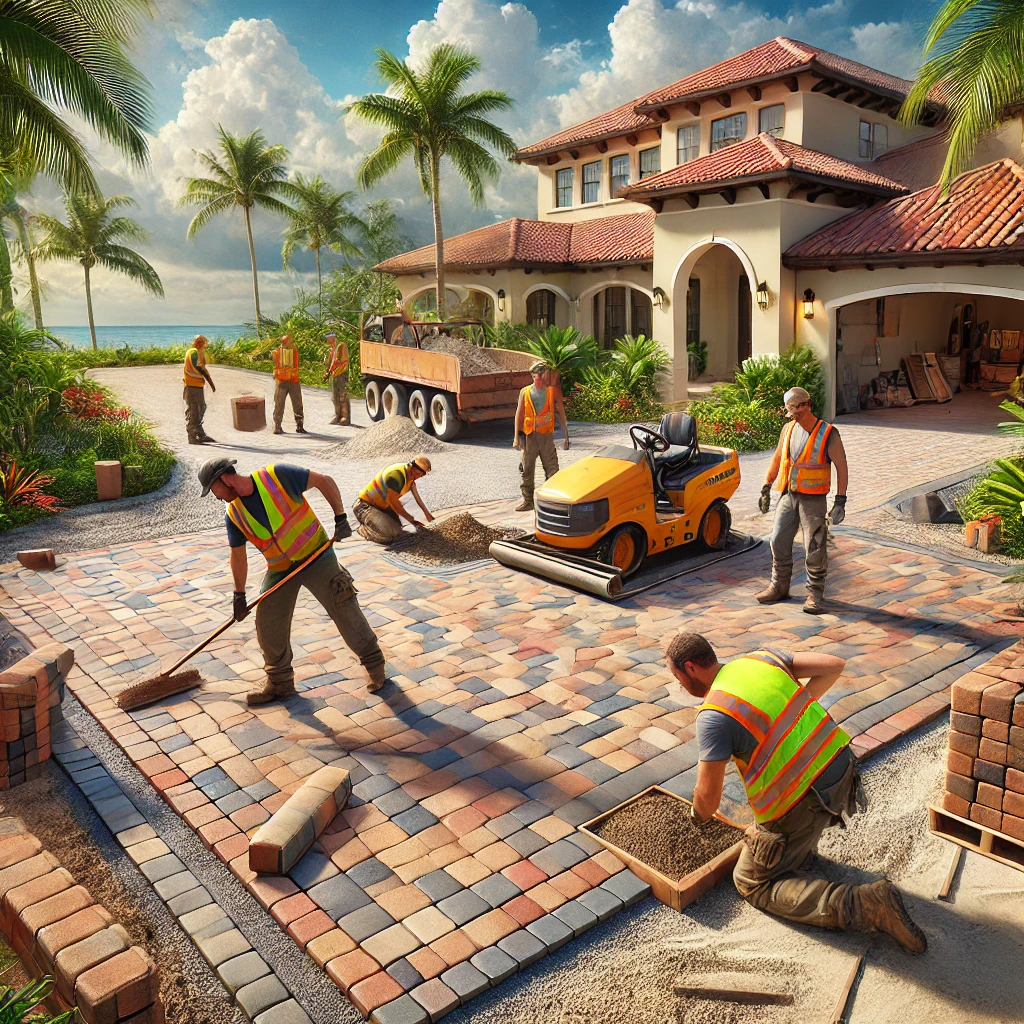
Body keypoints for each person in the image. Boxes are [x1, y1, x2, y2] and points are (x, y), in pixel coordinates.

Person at [665, 633, 927, 954]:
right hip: (841, 773)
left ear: (690, 668)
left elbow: (708, 802)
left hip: (806, 800)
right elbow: (834, 665)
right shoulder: (760, 659)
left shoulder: (714, 716)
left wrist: (696, 815)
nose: (680, 685)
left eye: (677, 677)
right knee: (777, 839)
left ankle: (867, 904)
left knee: (752, 881)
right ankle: (797, 848)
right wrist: (800, 706)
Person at [198, 457, 386, 703]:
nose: (217, 497)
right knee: (267, 620)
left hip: (316, 554)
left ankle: (375, 666)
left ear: (223, 479)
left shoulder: (276, 476)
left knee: (344, 606)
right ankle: (280, 682)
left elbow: (324, 481)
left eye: (214, 490)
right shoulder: (233, 514)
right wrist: (239, 594)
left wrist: (340, 517)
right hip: (281, 569)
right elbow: (238, 555)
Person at [757, 386, 848, 614]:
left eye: (798, 409)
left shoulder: (828, 433)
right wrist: (767, 486)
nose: (794, 415)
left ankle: (815, 594)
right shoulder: (788, 429)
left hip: (813, 500)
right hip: (789, 494)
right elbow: (778, 458)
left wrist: (840, 500)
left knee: (814, 546)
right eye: (790, 411)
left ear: (808, 404)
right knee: (777, 538)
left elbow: (842, 467)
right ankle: (779, 586)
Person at [513, 362, 569, 512]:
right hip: (530, 437)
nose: (540, 377)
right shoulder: (525, 392)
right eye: (537, 375)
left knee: (552, 469)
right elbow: (519, 414)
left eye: (542, 374)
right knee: (527, 469)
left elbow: (561, 413)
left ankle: (550, 501)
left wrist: (566, 436)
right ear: (534, 375)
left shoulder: (552, 391)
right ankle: (528, 501)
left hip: (546, 437)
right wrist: (517, 438)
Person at [352, 458, 434, 545]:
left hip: (383, 508)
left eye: (420, 476)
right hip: (365, 506)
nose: (417, 477)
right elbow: (393, 502)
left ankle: (378, 524)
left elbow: (417, 497)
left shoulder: (410, 478)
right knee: (387, 536)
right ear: (412, 466)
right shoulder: (396, 474)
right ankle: (363, 530)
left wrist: (427, 513)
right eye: (417, 473)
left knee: (398, 532)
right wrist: (411, 520)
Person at [183, 334, 216, 444]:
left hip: (196, 385)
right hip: (192, 385)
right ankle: (192, 436)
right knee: (194, 409)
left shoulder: (197, 352)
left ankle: (200, 433)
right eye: (198, 341)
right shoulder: (193, 352)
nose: (201, 344)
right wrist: (210, 382)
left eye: (202, 342)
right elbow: (199, 368)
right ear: (194, 342)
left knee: (201, 407)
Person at [272, 334, 306, 435]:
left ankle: (299, 425)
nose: (291, 342)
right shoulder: (278, 352)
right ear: (285, 342)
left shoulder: (293, 351)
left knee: (296, 403)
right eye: (289, 341)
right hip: (284, 380)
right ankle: (278, 426)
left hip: (292, 380)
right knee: (280, 403)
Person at [323, 331, 350, 425]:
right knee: (335, 396)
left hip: (341, 373)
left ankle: (345, 417)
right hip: (335, 374)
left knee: (343, 395)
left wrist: (329, 372)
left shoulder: (340, 346)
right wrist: (327, 372)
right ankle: (337, 415)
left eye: (328, 337)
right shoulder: (332, 349)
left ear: (333, 337)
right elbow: (330, 362)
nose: (327, 340)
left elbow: (337, 361)